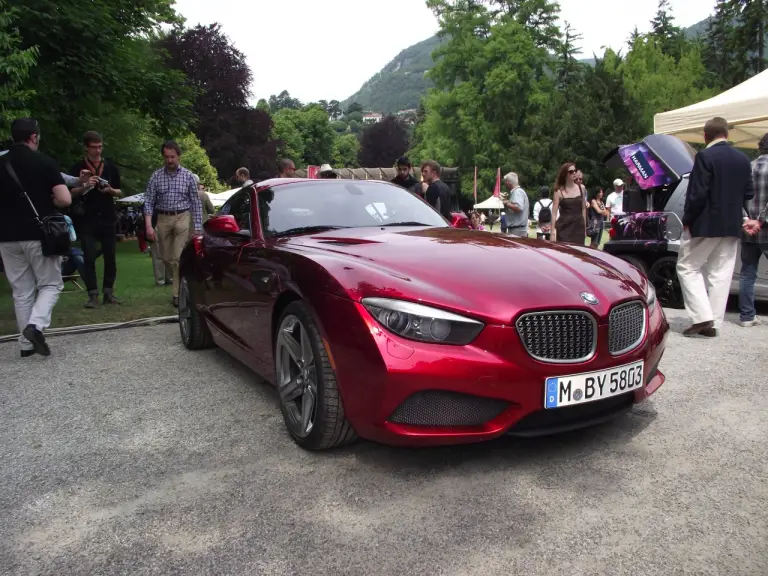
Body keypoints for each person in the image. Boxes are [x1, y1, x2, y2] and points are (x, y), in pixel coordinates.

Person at [676, 117, 754, 337]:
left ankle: (702, 317)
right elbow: (749, 193)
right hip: (732, 224)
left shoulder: (704, 156)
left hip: (706, 222)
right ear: (727, 134)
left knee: (688, 267)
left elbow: (697, 193)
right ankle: (714, 323)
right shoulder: (742, 159)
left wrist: (688, 219)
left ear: (705, 135)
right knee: (721, 273)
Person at [0, 118, 72, 357]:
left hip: (6, 237)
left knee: (21, 290)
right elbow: (64, 199)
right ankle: (35, 326)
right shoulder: (44, 162)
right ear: (33, 137)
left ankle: (25, 345)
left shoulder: (2, 163)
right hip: (38, 234)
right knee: (51, 284)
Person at [143, 141, 203, 307]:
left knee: (177, 258)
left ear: (179, 156)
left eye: (173, 157)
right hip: (163, 218)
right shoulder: (156, 176)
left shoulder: (188, 176)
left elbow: (196, 203)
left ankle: (177, 294)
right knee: (166, 258)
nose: (170, 160)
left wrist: (197, 227)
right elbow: (148, 201)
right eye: (166, 157)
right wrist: (148, 225)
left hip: (182, 217)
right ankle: (180, 282)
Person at [69, 131, 123, 308]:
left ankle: (108, 292)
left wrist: (110, 190)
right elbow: (68, 192)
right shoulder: (78, 167)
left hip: (108, 216)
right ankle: (92, 294)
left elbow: (119, 191)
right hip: (87, 217)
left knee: (110, 256)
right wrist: (84, 185)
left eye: (100, 146)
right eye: (94, 147)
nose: (97, 150)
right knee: (89, 256)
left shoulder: (110, 167)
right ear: (86, 147)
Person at [738, 132, 768, 327]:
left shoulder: (747, 166)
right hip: (764, 227)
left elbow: (737, 197)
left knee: (748, 273)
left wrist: (746, 219)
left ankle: (747, 316)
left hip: (748, 228)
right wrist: (761, 220)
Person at [551, 163, 587, 245]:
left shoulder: (582, 188)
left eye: (575, 171)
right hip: (564, 226)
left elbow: (583, 208)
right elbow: (554, 213)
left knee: (579, 253)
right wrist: (553, 231)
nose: (574, 173)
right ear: (565, 174)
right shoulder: (559, 192)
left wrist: (584, 228)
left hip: (578, 226)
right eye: (571, 171)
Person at [502, 172, 529, 237]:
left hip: (517, 231)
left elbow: (518, 207)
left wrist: (506, 203)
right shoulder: (517, 192)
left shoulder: (517, 192)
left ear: (508, 182)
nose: (505, 184)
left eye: (505, 182)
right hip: (518, 230)